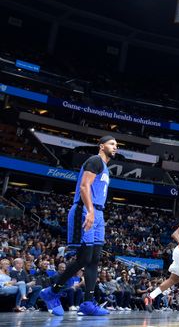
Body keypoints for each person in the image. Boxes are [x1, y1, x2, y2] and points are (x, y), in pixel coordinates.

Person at [40, 135, 117, 316]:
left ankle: (88, 303)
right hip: (85, 209)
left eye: (117, 145)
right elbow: (84, 186)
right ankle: (52, 292)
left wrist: (96, 213)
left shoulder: (106, 168)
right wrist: (90, 211)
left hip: (98, 212)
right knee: (84, 258)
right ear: (101, 146)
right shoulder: (95, 160)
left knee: (94, 260)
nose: (115, 147)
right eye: (112, 144)